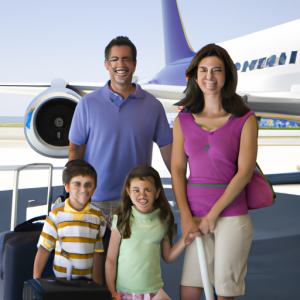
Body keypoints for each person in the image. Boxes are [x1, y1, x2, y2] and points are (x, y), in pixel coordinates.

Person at [171, 44, 257, 300]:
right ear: (195, 76)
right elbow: (177, 169)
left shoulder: (245, 119)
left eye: (216, 70)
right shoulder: (183, 120)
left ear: (227, 76)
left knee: (224, 291)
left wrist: (214, 214)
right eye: (204, 70)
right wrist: (186, 216)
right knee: (189, 289)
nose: (209, 76)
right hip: (195, 216)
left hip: (230, 215)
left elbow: (244, 172)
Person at [68, 36, 173, 206]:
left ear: (134, 64)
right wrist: (76, 197)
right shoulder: (87, 103)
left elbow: (169, 153)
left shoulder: (153, 105)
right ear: (106, 65)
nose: (120, 65)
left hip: (137, 204)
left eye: (126, 59)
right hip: (95, 202)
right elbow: (75, 152)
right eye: (114, 59)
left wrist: (184, 188)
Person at [105, 166, 187, 300]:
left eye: (147, 190)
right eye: (136, 190)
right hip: (125, 292)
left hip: (154, 292)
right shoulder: (121, 220)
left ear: (157, 192)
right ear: (128, 192)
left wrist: (185, 240)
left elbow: (168, 256)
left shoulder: (163, 220)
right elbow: (111, 259)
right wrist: (112, 290)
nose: (142, 195)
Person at [33, 160, 106, 284]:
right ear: (67, 187)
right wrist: (36, 282)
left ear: (94, 188)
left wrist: (97, 285)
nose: (83, 189)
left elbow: (97, 251)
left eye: (88, 185)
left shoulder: (98, 216)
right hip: (62, 283)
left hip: (87, 284)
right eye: (77, 184)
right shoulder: (56, 216)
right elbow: (44, 249)